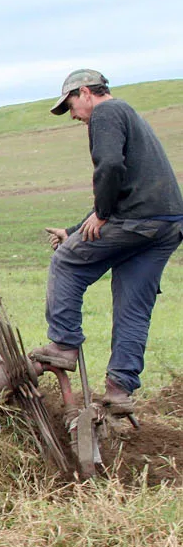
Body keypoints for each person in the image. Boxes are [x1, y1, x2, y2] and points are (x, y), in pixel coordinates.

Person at [31, 70, 183, 411]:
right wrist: (73, 229)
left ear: (86, 93)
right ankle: (119, 391)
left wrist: (99, 213)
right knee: (133, 307)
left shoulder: (106, 112)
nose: (73, 115)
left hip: (140, 221)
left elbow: (110, 167)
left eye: (70, 105)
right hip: (166, 225)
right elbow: (123, 192)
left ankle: (64, 346)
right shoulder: (129, 114)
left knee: (67, 261)